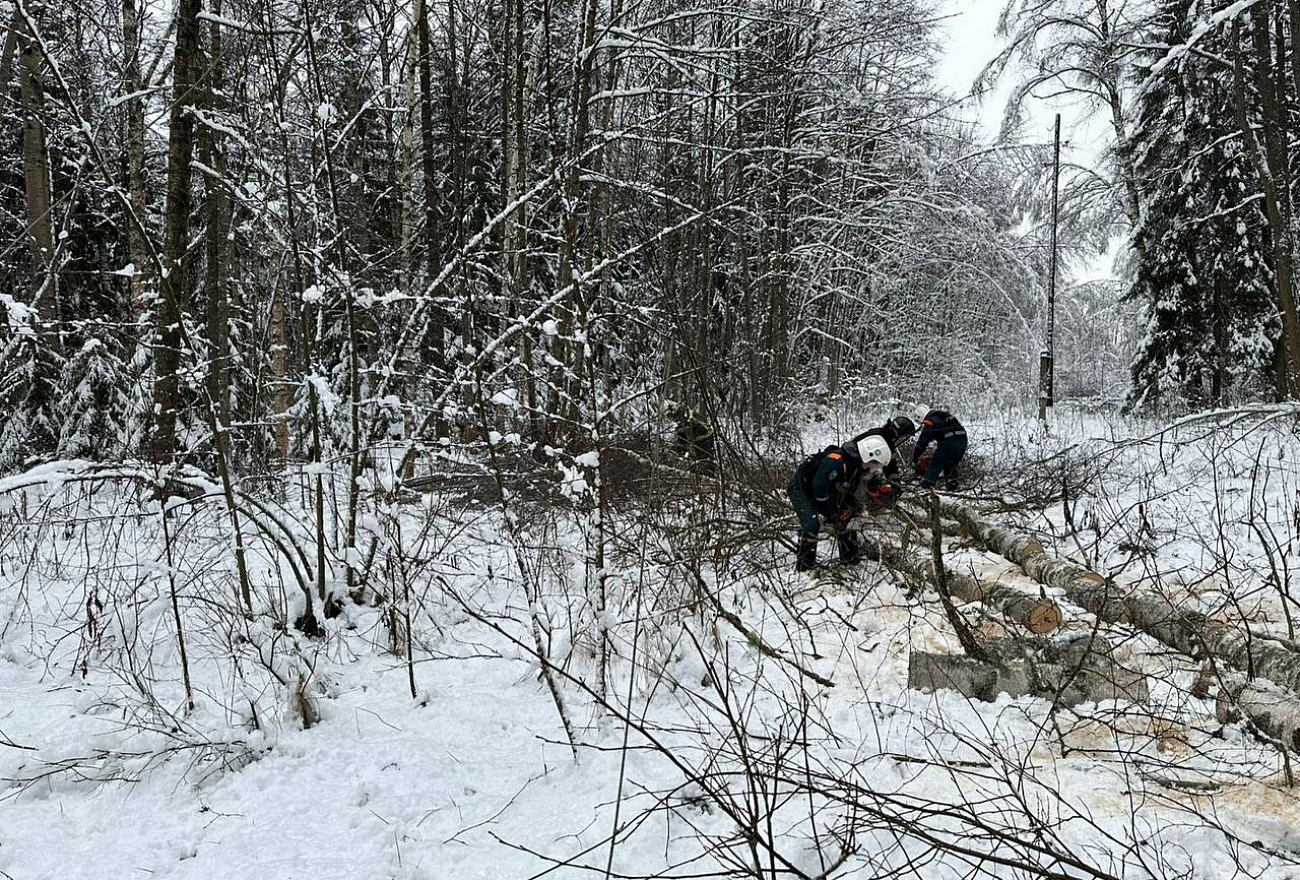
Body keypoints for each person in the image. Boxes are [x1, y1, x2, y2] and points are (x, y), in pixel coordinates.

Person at [787, 435, 891, 571]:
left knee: (848, 518)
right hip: (800, 489)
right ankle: (804, 568)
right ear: (868, 455)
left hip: (821, 490)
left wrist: (850, 509)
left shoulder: (854, 467)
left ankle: (850, 558)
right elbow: (820, 490)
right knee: (812, 523)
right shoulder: (836, 461)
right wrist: (833, 514)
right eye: (874, 463)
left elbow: (847, 492)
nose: (873, 467)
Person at [911, 406, 967, 490]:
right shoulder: (942, 415)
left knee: (935, 465)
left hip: (950, 443)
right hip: (963, 441)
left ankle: (926, 486)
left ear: (920, 416)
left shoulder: (930, 421)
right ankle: (953, 485)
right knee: (950, 464)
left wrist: (915, 457)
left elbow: (922, 442)